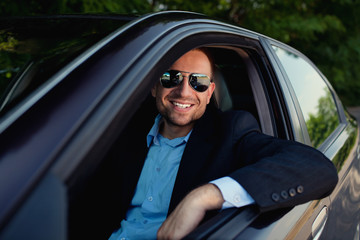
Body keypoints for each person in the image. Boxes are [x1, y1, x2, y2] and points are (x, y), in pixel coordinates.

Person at [108, 48, 338, 240]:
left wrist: (205, 195)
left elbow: (317, 167)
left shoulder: (232, 131)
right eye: (172, 77)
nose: (184, 91)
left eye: (198, 82)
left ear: (210, 93)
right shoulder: (121, 130)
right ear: (154, 86)